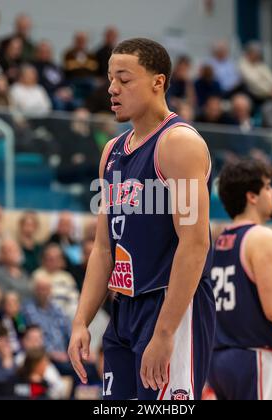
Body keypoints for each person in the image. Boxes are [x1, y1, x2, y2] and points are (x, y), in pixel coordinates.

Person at [68, 37, 215, 400]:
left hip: (169, 305)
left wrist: (164, 332)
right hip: (124, 308)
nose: (112, 89)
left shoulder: (178, 143)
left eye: (124, 79)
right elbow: (104, 248)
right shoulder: (112, 151)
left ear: (158, 82)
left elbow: (195, 244)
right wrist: (80, 321)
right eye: (110, 79)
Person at [208, 159, 272, 400]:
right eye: (268, 187)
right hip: (253, 356)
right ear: (252, 196)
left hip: (218, 360)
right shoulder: (262, 238)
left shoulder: (218, 242)